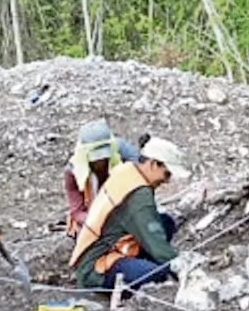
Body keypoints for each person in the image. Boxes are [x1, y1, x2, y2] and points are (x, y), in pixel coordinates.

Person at [68, 137, 189, 290]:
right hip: (96, 266)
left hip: (95, 251)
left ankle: (141, 261)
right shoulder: (138, 194)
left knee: (165, 223)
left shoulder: (128, 170)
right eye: (166, 174)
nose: (167, 181)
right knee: (155, 275)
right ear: (153, 164)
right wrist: (181, 266)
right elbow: (153, 236)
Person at [63, 119, 141, 237]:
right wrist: (101, 220)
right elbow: (77, 212)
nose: (101, 162)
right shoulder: (72, 172)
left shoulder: (122, 152)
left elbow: (143, 174)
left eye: (104, 157)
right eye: (96, 159)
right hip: (93, 219)